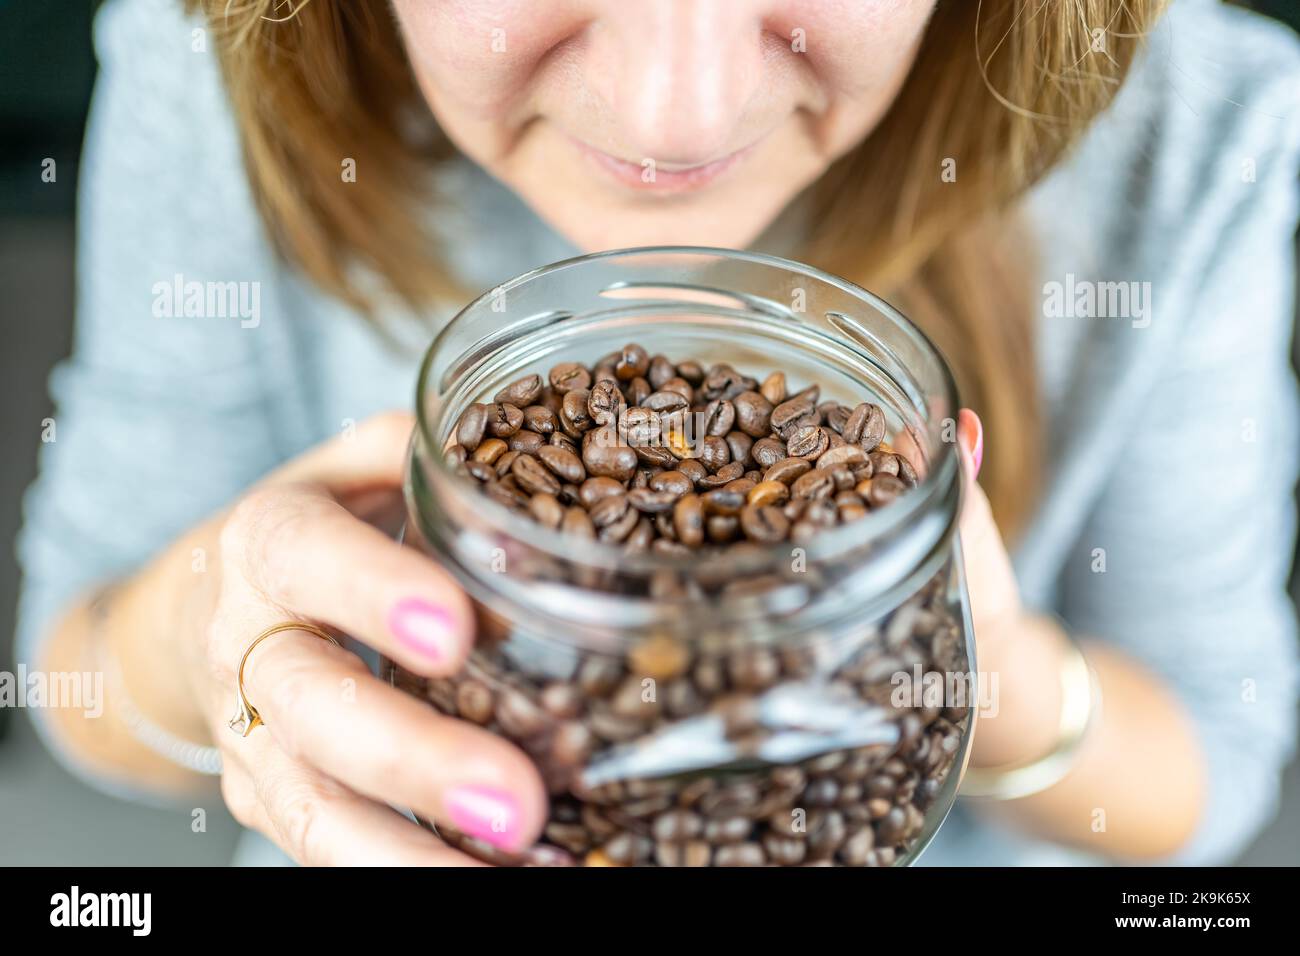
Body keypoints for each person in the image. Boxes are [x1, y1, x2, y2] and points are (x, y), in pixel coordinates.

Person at [17, 0, 1300, 866]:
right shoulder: (220, 58)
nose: (673, 115)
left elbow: (1221, 758)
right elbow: (67, 669)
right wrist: (219, 628)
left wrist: (961, 664)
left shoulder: (1200, 129)